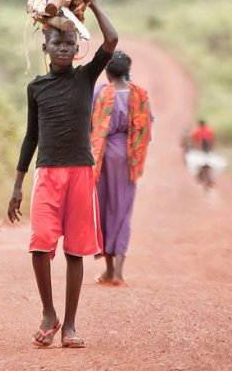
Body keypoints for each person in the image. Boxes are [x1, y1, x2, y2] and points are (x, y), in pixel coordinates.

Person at [8, 0, 118, 349]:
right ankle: (48, 312)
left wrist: (93, 0)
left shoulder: (85, 78)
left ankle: (70, 325)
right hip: (48, 173)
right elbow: (30, 137)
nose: (63, 47)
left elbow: (112, 39)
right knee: (40, 244)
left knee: (75, 251)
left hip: (80, 173)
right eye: (56, 42)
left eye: (69, 42)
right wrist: (18, 184)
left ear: (77, 47)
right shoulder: (36, 87)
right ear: (45, 48)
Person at [90, 50, 153, 287]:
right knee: (123, 210)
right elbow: (147, 127)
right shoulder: (140, 94)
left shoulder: (101, 93)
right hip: (128, 157)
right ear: (128, 70)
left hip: (104, 156)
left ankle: (107, 270)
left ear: (106, 71)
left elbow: (91, 125)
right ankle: (118, 273)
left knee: (104, 207)